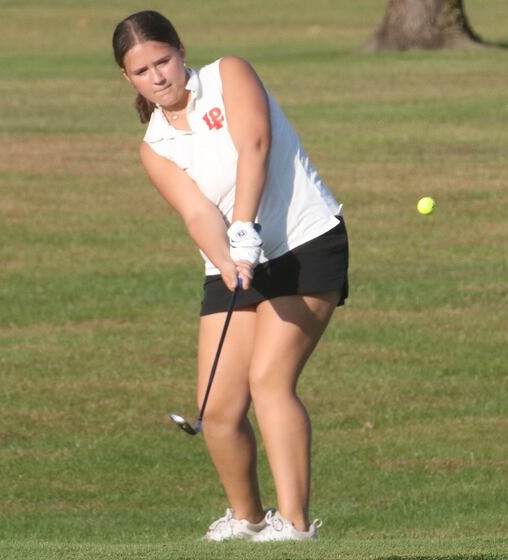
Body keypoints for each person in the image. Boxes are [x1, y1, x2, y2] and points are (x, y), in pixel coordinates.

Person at [112, 10, 349, 542]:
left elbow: (254, 148)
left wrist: (244, 227)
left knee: (269, 380)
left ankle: (294, 525)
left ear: (181, 52)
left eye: (163, 61)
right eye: (143, 71)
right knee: (217, 408)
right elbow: (197, 214)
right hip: (236, 261)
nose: (159, 77)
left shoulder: (229, 74)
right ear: (128, 80)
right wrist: (226, 257)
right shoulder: (155, 146)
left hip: (305, 242)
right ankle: (247, 518)